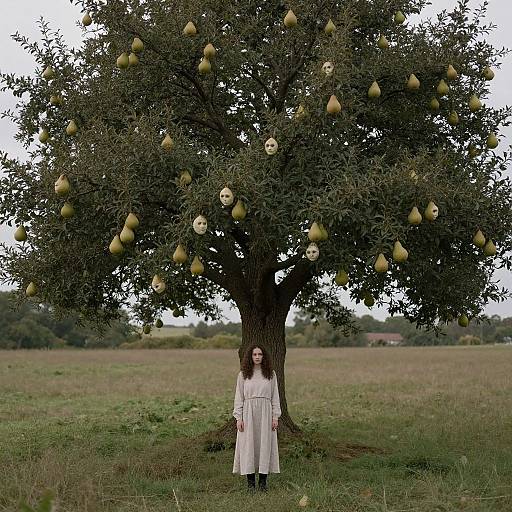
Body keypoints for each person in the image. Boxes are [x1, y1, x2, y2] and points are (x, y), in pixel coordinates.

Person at [232, 344, 281, 491]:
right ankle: (251, 484)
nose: (257, 357)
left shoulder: (270, 375)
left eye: (260, 354)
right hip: (248, 414)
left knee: (265, 445)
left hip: (266, 414)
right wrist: (238, 417)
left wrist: (275, 416)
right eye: (254, 354)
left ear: (264, 356)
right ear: (250, 357)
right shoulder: (243, 375)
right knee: (249, 446)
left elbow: (275, 397)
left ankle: (263, 483)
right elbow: (238, 397)